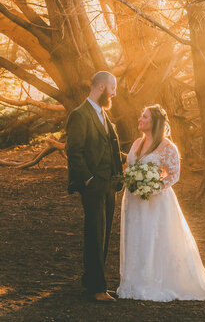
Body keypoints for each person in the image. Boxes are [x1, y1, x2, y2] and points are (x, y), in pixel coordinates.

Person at [117, 104, 205, 302]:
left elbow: (174, 175)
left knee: (153, 238)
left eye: (145, 117)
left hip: (155, 202)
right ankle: (134, 281)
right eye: (141, 116)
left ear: (155, 123)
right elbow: (130, 166)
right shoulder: (136, 144)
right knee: (136, 238)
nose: (140, 119)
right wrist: (133, 181)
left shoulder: (167, 147)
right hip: (133, 201)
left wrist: (151, 187)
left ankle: (153, 282)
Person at [65, 71, 124, 303]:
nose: (115, 93)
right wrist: (88, 180)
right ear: (100, 87)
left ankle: (92, 282)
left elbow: (112, 150)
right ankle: (97, 289)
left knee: (104, 235)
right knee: (94, 234)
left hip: (109, 185)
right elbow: (74, 152)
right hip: (93, 186)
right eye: (113, 88)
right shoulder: (79, 115)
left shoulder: (104, 116)